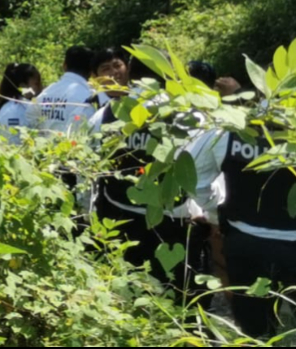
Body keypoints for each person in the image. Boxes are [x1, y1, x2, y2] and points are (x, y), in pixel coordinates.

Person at [186, 118, 296, 336]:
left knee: (254, 332)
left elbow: (195, 178)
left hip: (244, 245)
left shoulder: (228, 130)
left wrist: (214, 212)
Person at [90, 58, 214, 298]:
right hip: (172, 226)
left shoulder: (105, 113)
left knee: (123, 296)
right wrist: (212, 214)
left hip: (117, 220)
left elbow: (90, 167)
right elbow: (203, 173)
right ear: (169, 75)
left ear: (131, 74)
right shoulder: (191, 117)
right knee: (177, 298)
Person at [27, 46, 96, 134]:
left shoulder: (48, 91)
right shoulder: (90, 96)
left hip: (46, 146)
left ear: (64, 66)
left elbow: (30, 114)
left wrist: (43, 135)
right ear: (92, 70)